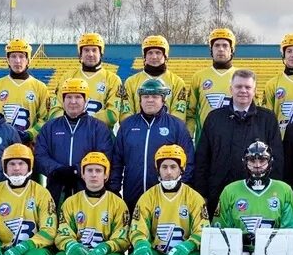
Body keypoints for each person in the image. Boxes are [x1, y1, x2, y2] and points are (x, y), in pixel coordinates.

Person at [194, 69, 283, 215]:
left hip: (257, 195)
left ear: (254, 91)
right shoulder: (214, 118)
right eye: (238, 87)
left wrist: (273, 192)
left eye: (248, 87)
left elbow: (277, 160)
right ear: (231, 89)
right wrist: (201, 193)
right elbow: (203, 158)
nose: (243, 91)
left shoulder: (267, 119)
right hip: (218, 195)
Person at [123, 144, 207, 255]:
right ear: (158, 169)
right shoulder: (148, 197)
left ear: (181, 169)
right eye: (164, 167)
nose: (168, 172)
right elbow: (137, 227)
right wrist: (141, 244)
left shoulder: (194, 198)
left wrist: (188, 245)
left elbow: (203, 229)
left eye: (173, 167)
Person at [48, 151, 131, 255]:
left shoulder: (117, 203)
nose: (94, 175)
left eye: (98, 170)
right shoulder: (71, 202)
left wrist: (106, 247)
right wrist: (71, 245)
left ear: (106, 175)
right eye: (89, 170)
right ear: (83, 174)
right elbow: (62, 231)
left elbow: (123, 236)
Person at [110, 78, 195, 210]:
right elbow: (117, 161)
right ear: (140, 100)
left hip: (166, 196)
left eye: (155, 96)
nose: (150, 100)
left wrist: (180, 188)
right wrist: (114, 190)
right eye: (146, 96)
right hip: (132, 194)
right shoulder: (128, 125)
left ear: (163, 100)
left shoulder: (176, 126)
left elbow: (188, 161)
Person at [36, 78, 114, 205]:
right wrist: (57, 170)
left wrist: (78, 170)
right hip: (56, 190)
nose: (73, 101)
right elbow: (40, 155)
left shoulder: (98, 127)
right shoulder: (50, 127)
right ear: (63, 100)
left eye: (78, 97)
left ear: (85, 100)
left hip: (88, 191)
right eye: (69, 97)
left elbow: (104, 155)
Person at [213, 141, 293, 253]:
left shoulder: (284, 190)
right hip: (238, 254)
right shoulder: (230, 191)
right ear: (245, 162)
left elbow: (292, 230)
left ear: (270, 162)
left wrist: (271, 242)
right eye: (252, 160)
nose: (257, 165)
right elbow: (219, 230)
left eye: (262, 160)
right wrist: (239, 240)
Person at [50, 32, 126, 128]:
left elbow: (112, 115)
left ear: (101, 53)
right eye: (86, 50)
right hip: (69, 132)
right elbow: (54, 111)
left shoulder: (113, 79)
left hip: (100, 135)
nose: (90, 54)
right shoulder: (67, 77)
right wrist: (74, 121)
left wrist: (84, 121)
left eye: (94, 50)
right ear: (80, 53)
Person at [0, 38, 51, 145]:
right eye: (13, 56)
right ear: (7, 59)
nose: (17, 61)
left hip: (28, 146)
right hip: (0, 144)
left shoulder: (40, 87)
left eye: (22, 56)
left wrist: (30, 134)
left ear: (28, 60)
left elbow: (45, 119)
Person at [187, 28, 239, 140]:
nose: (221, 49)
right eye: (217, 45)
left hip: (235, 138)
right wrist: (189, 133)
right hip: (205, 139)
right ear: (211, 49)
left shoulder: (241, 76)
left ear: (232, 49)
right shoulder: (199, 77)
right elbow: (190, 112)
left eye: (225, 45)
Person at [122, 35, 189, 121]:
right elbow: (126, 112)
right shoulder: (131, 82)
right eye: (150, 53)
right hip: (138, 130)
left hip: (167, 131)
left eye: (158, 52)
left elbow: (179, 114)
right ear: (144, 56)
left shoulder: (177, 82)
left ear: (165, 55)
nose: (154, 57)